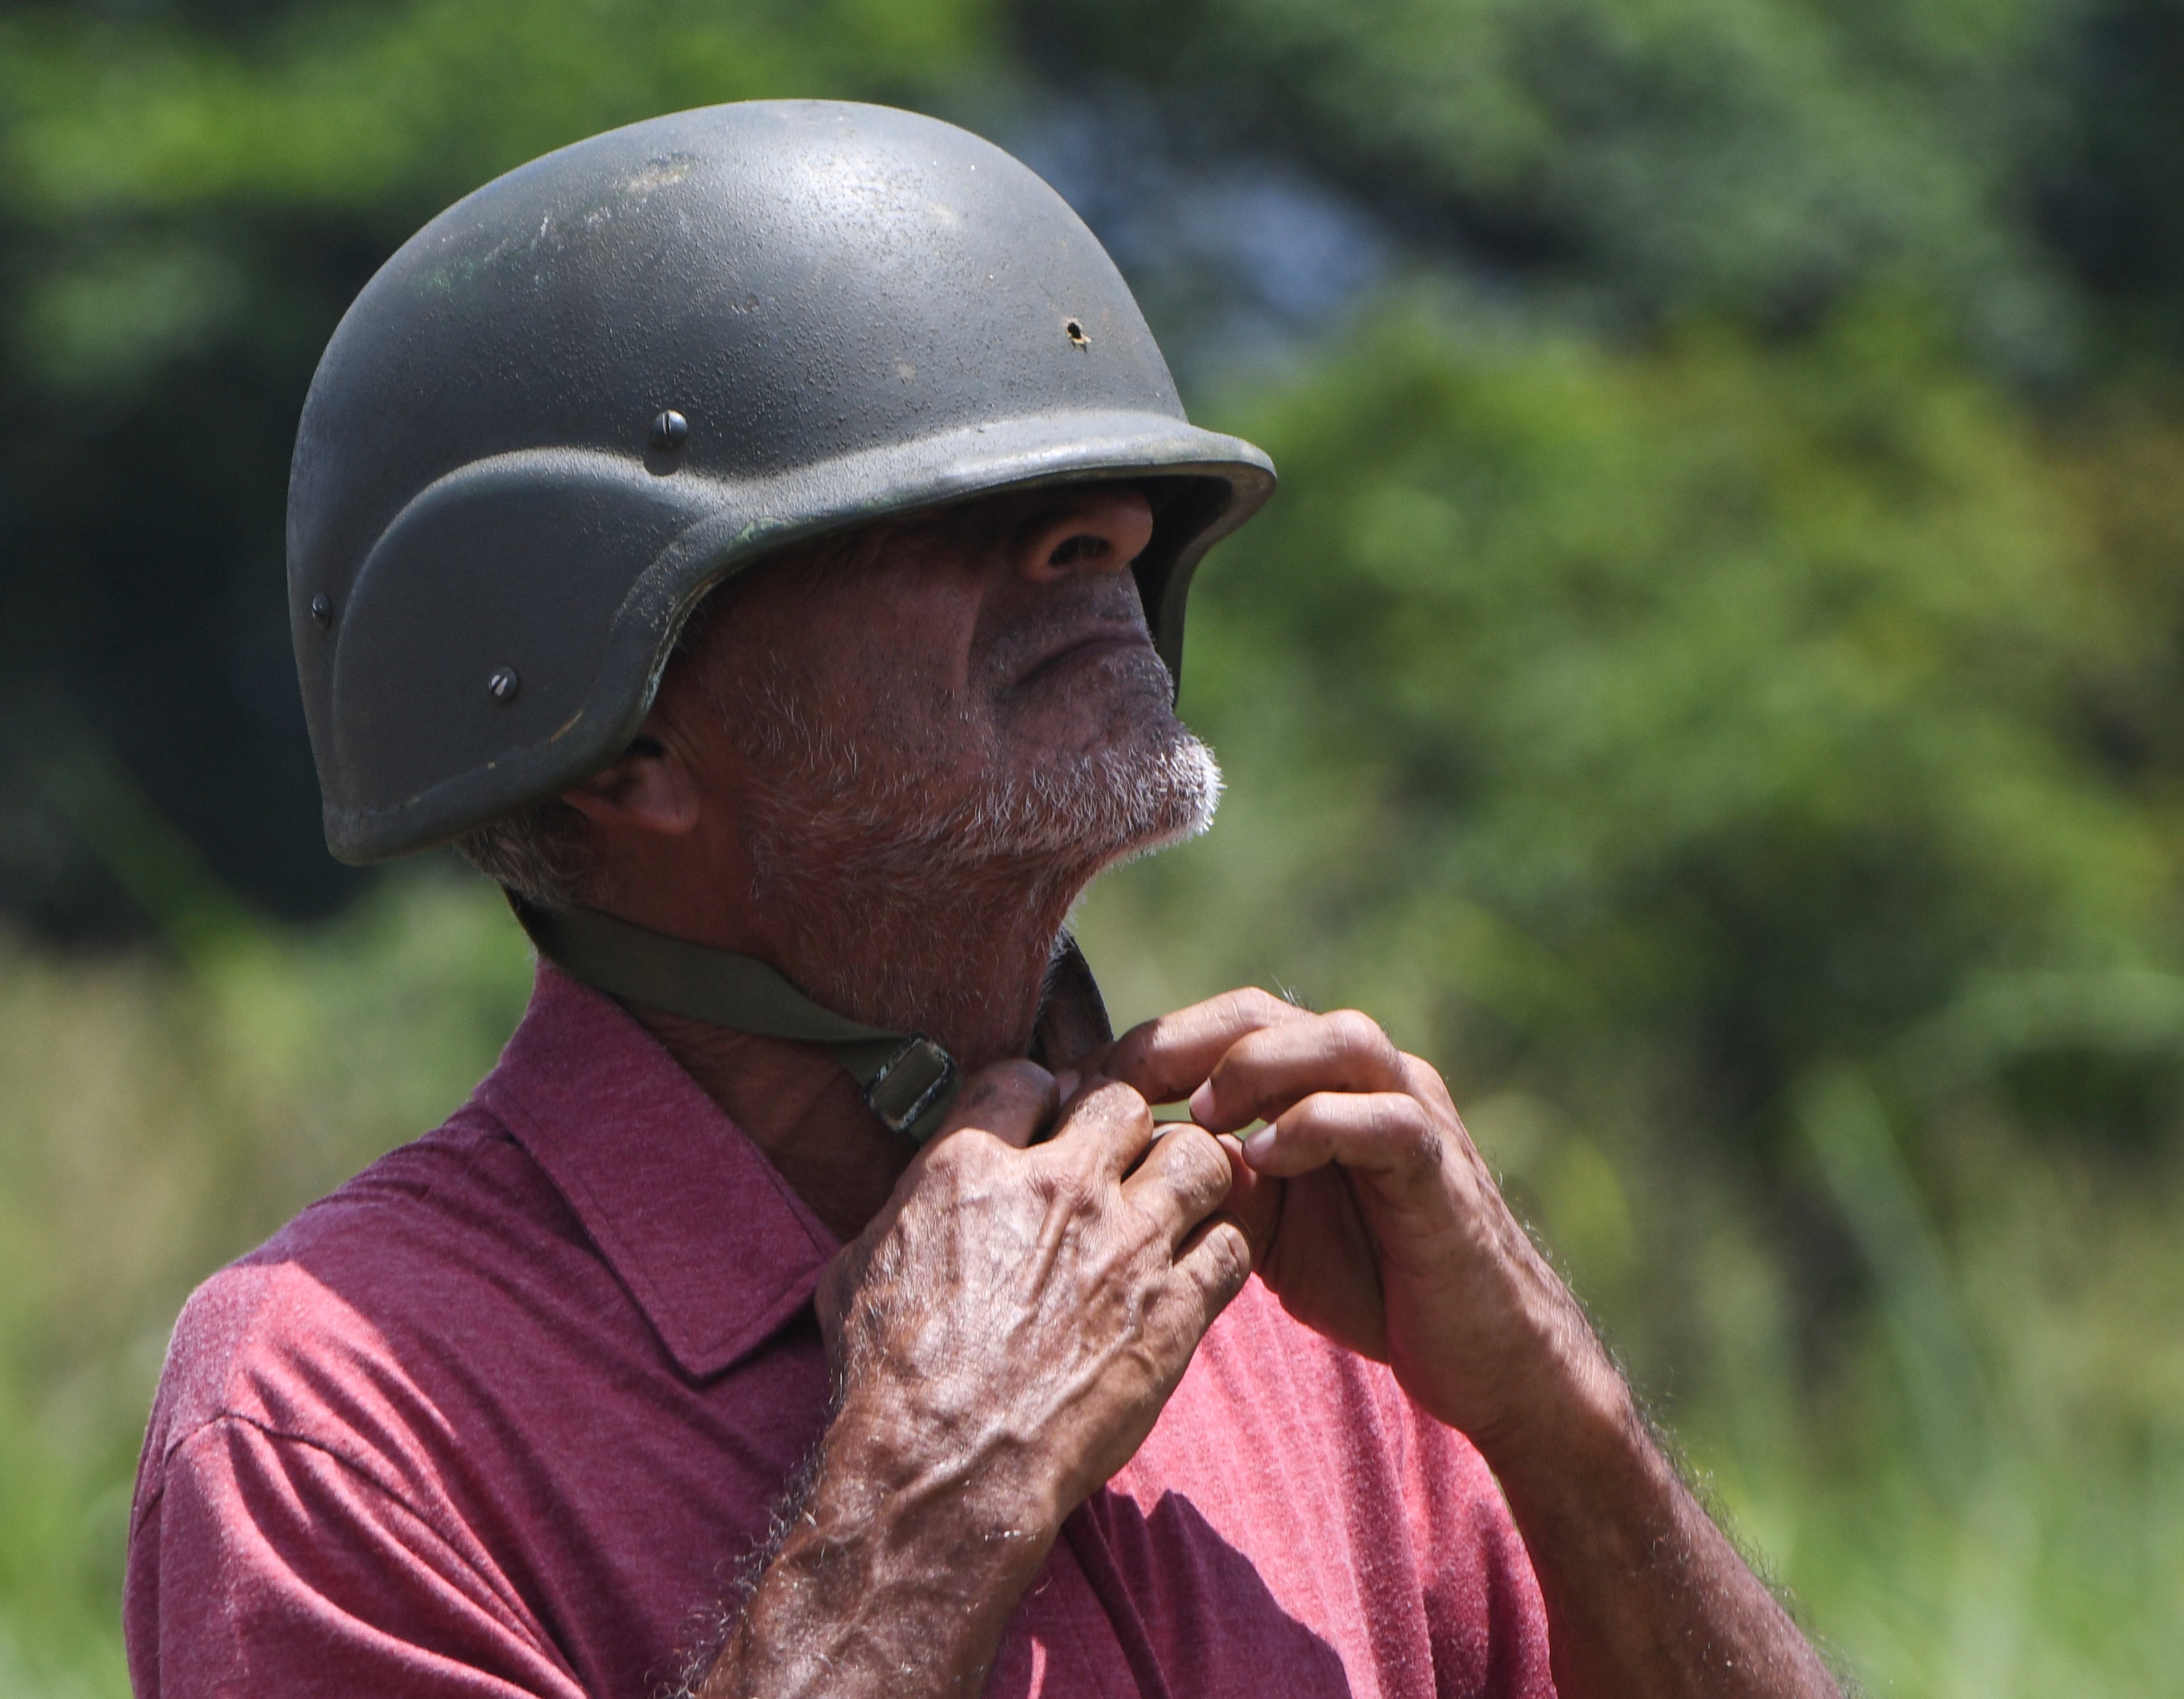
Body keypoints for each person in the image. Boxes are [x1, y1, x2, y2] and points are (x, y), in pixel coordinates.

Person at [125, 100, 1841, 1698]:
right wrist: (928, 1504)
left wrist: (1566, 1426)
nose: (1106, 526)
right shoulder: (339, 1409)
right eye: (950, 503)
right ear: (621, 740)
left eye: (1111, 494)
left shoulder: (1314, 1290)